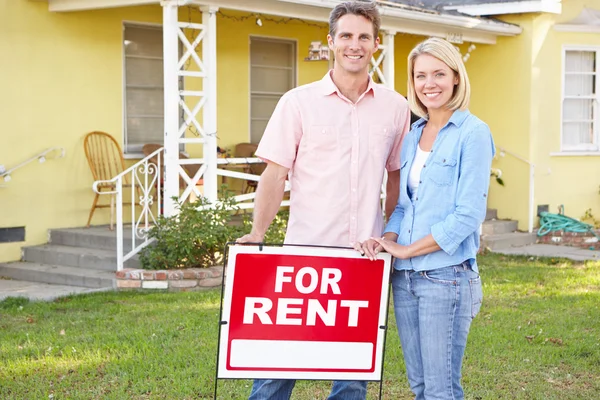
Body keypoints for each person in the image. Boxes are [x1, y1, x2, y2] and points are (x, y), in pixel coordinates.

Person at [235, 1, 411, 399]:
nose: (355, 44)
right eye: (346, 36)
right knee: (275, 372)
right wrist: (256, 232)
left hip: (364, 261)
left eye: (363, 37)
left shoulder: (396, 107)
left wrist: (387, 234)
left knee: (351, 378)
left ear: (376, 43)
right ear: (331, 42)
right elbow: (274, 174)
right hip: (304, 258)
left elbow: (395, 176)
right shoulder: (298, 102)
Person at [358, 37, 495, 399]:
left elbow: (467, 215)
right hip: (405, 281)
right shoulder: (413, 135)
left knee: (440, 390)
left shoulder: (473, 133)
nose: (429, 83)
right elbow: (403, 205)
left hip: (446, 277)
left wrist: (407, 250)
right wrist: (388, 238)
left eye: (438, 74)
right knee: (420, 387)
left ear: (455, 78)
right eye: (420, 75)